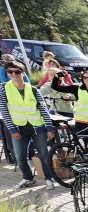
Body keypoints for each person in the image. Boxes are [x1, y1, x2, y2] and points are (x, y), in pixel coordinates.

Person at [0, 60, 57, 189]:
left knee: (43, 154)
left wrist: (49, 127)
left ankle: (49, 178)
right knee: (20, 157)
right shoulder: (3, 89)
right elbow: (4, 111)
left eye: (17, 71)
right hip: (19, 129)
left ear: (23, 72)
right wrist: (13, 130)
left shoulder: (33, 90)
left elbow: (44, 110)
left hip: (38, 127)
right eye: (10, 72)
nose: (14, 74)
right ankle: (28, 178)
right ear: (7, 73)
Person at [47, 69, 88, 134]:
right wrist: (56, 76)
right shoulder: (77, 89)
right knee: (86, 143)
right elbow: (55, 87)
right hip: (80, 123)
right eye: (85, 78)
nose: (87, 80)